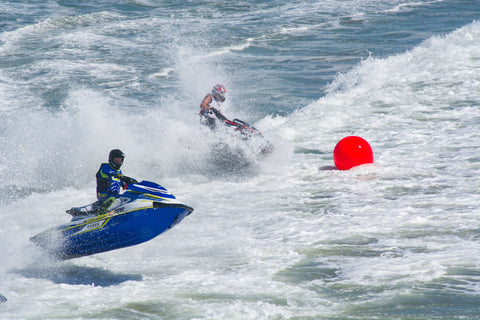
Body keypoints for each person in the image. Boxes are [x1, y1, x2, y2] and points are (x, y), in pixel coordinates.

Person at [95, 149, 137, 215]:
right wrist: (126, 178)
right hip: (104, 195)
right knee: (114, 200)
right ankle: (101, 212)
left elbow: (122, 182)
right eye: (116, 160)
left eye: (120, 160)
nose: (118, 162)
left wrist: (131, 184)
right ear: (111, 160)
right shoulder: (105, 167)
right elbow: (115, 174)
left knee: (127, 198)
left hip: (115, 195)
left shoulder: (119, 171)